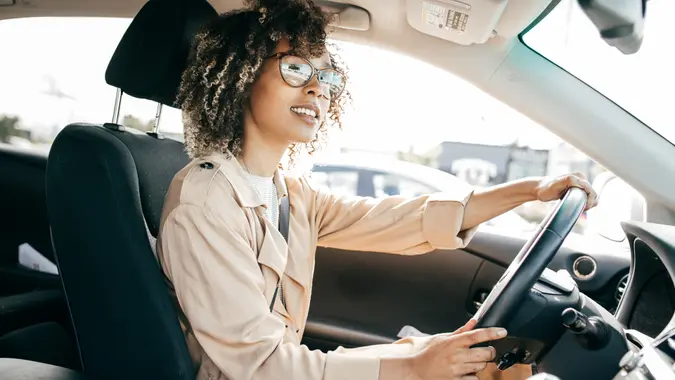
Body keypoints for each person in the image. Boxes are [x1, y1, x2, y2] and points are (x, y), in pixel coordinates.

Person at [156, 1, 598, 379]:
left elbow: (391, 218)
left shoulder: (288, 191)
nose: (316, 88)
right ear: (242, 77)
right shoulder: (207, 200)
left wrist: (529, 191)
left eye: (327, 78)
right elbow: (259, 365)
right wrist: (411, 366)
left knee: (479, 360)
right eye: (294, 68)